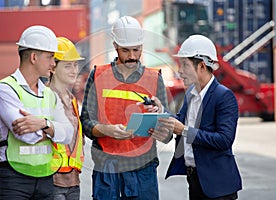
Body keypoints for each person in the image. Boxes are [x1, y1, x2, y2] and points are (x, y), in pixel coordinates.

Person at [80, 16, 170, 199]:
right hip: (107, 166)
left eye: (136, 50)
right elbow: (86, 123)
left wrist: (160, 120)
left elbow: (168, 133)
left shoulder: (154, 78)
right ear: (115, 46)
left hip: (143, 168)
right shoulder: (98, 75)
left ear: (142, 47)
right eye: (125, 50)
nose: (132, 56)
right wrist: (106, 130)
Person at [0, 25, 74, 199]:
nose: (54, 64)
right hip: (13, 180)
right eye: (50, 57)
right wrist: (54, 130)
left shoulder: (49, 94)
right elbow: (26, 136)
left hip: (46, 178)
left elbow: (69, 134)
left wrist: (43, 124)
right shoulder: (5, 90)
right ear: (33, 57)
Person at [150, 34, 242, 199]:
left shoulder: (223, 96)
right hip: (195, 180)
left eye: (185, 65)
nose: (180, 71)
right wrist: (161, 110)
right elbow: (180, 121)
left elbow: (224, 140)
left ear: (201, 66)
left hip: (218, 187)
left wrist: (184, 131)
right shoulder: (190, 95)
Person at [48, 37, 85, 200]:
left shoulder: (72, 101)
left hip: (73, 181)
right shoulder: (45, 97)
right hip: (51, 181)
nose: (74, 70)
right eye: (67, 65)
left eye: (75, 64)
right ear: (53, 67)